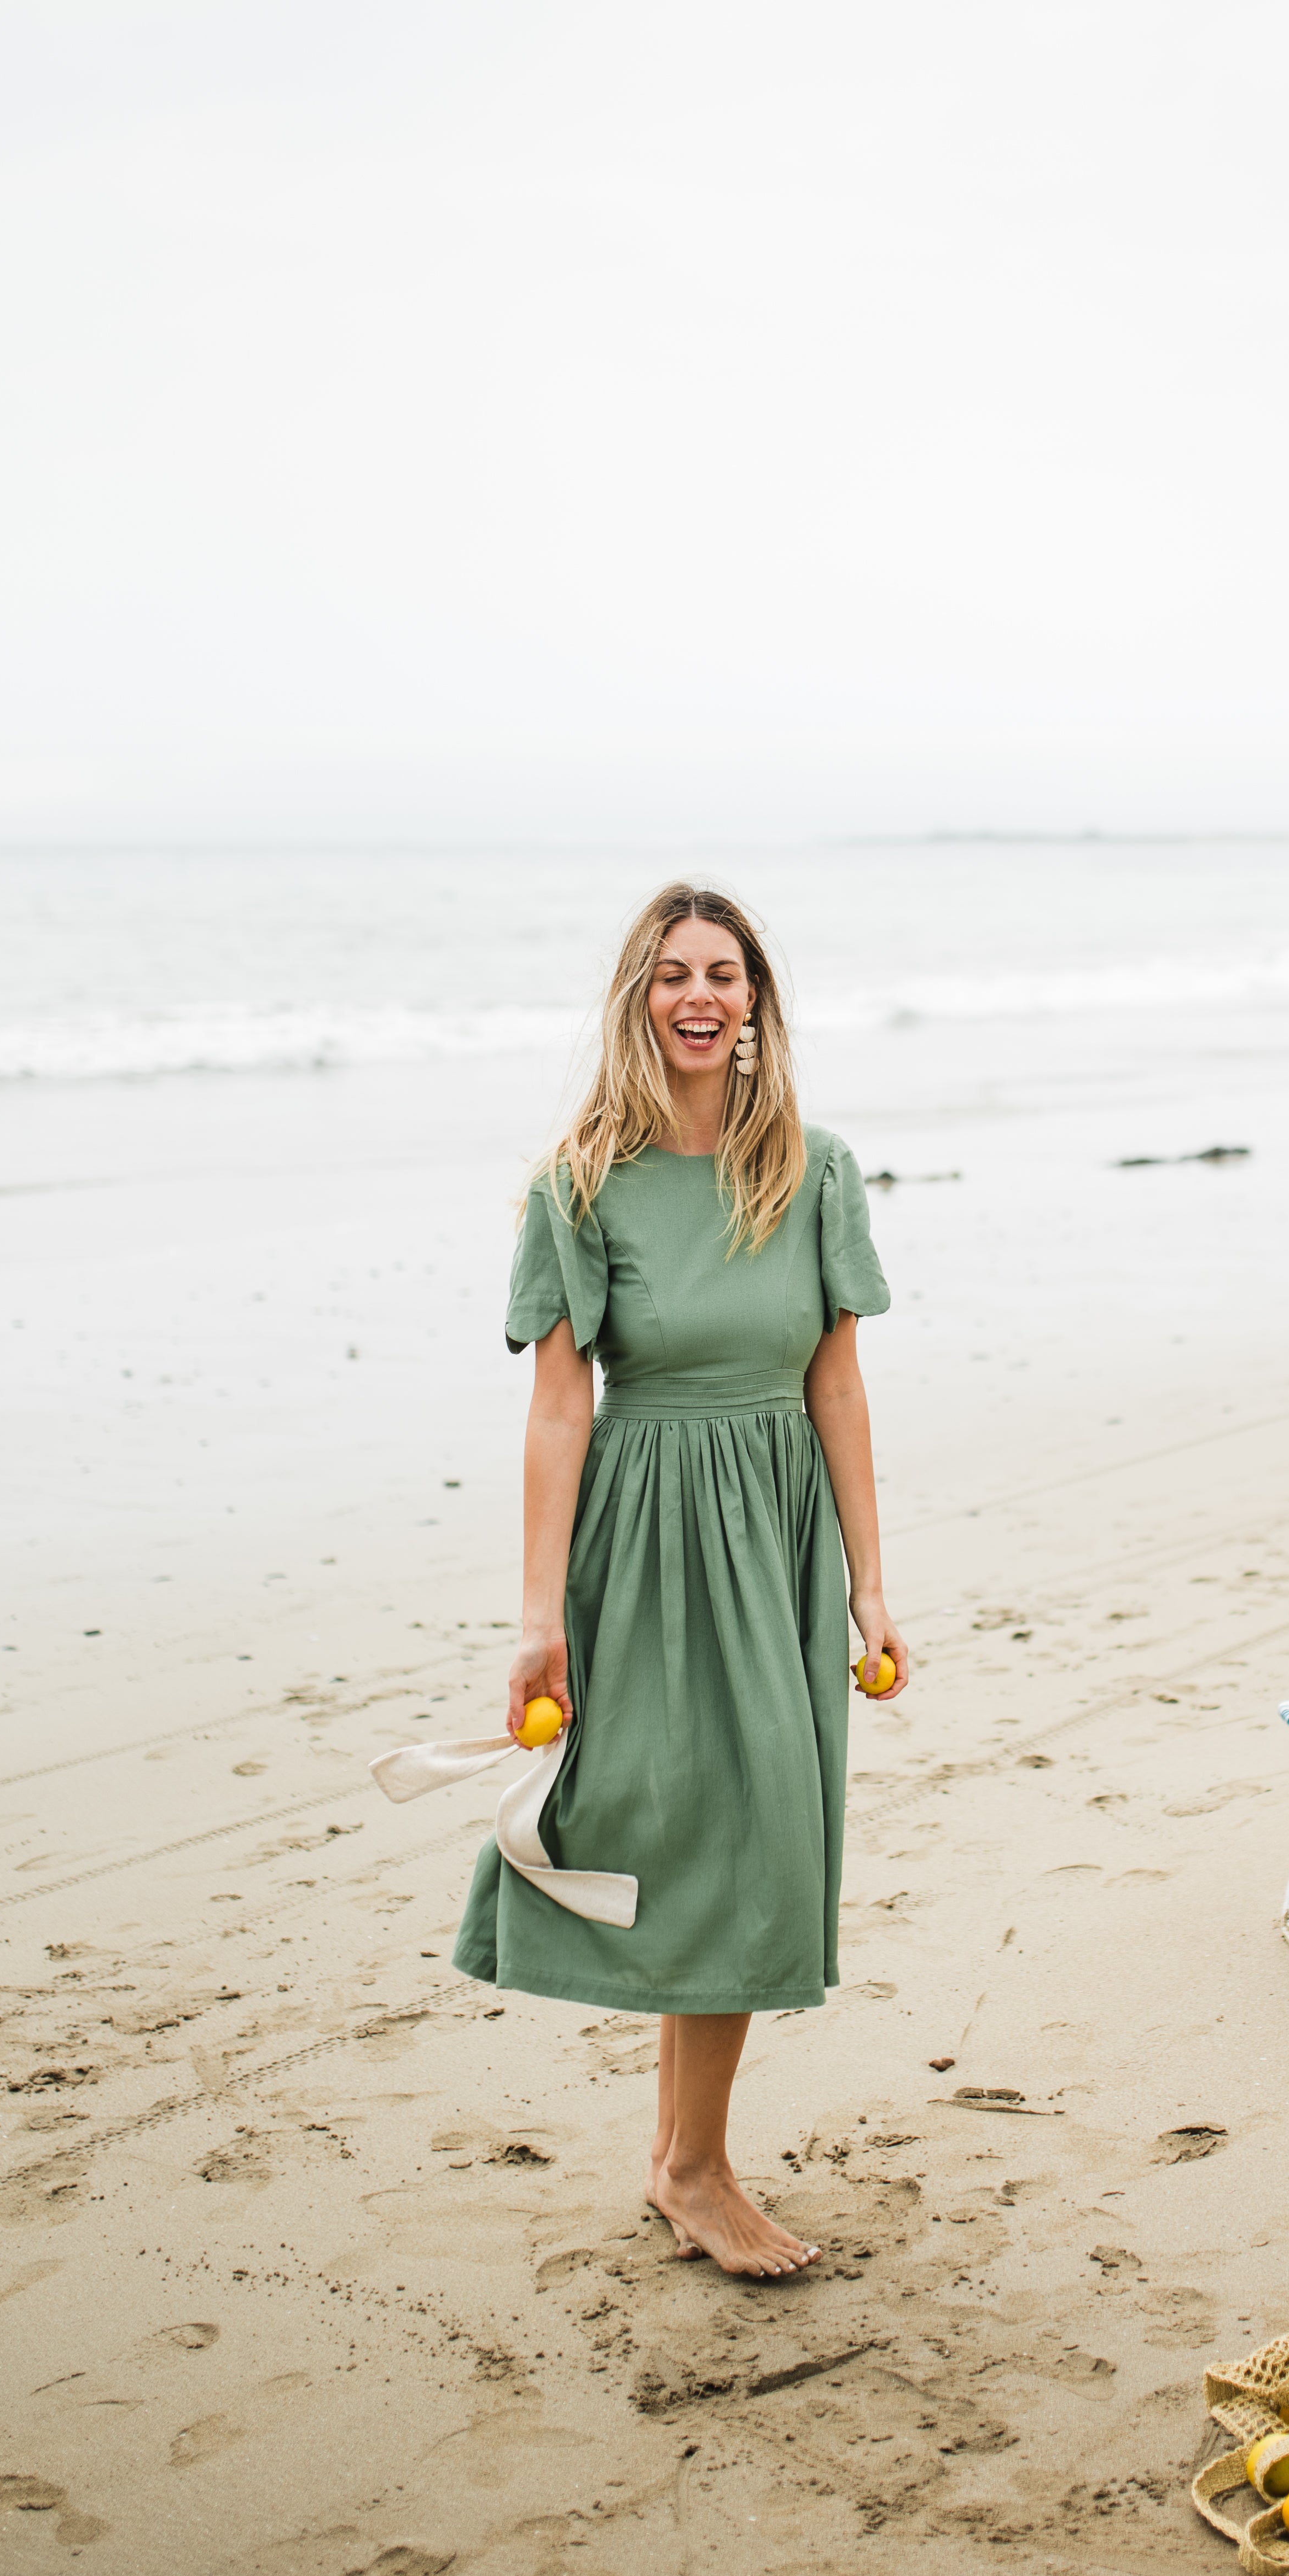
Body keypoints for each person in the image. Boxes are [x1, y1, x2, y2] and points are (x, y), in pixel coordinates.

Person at [453, 883, 910, 2278]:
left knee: (765, 1826)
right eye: (672, 974)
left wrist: (871, 1585)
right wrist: (539, 1619)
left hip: (776, 1530)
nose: (699, 994)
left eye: (724, 972)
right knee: (683, 1823)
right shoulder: (577, 1177)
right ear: (637, 1000)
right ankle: (694, 2167)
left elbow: (836, 1378)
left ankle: (683, 2159)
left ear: (758, 1001)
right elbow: (557, 1405)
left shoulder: (813, 1170)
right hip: (644, 1532)